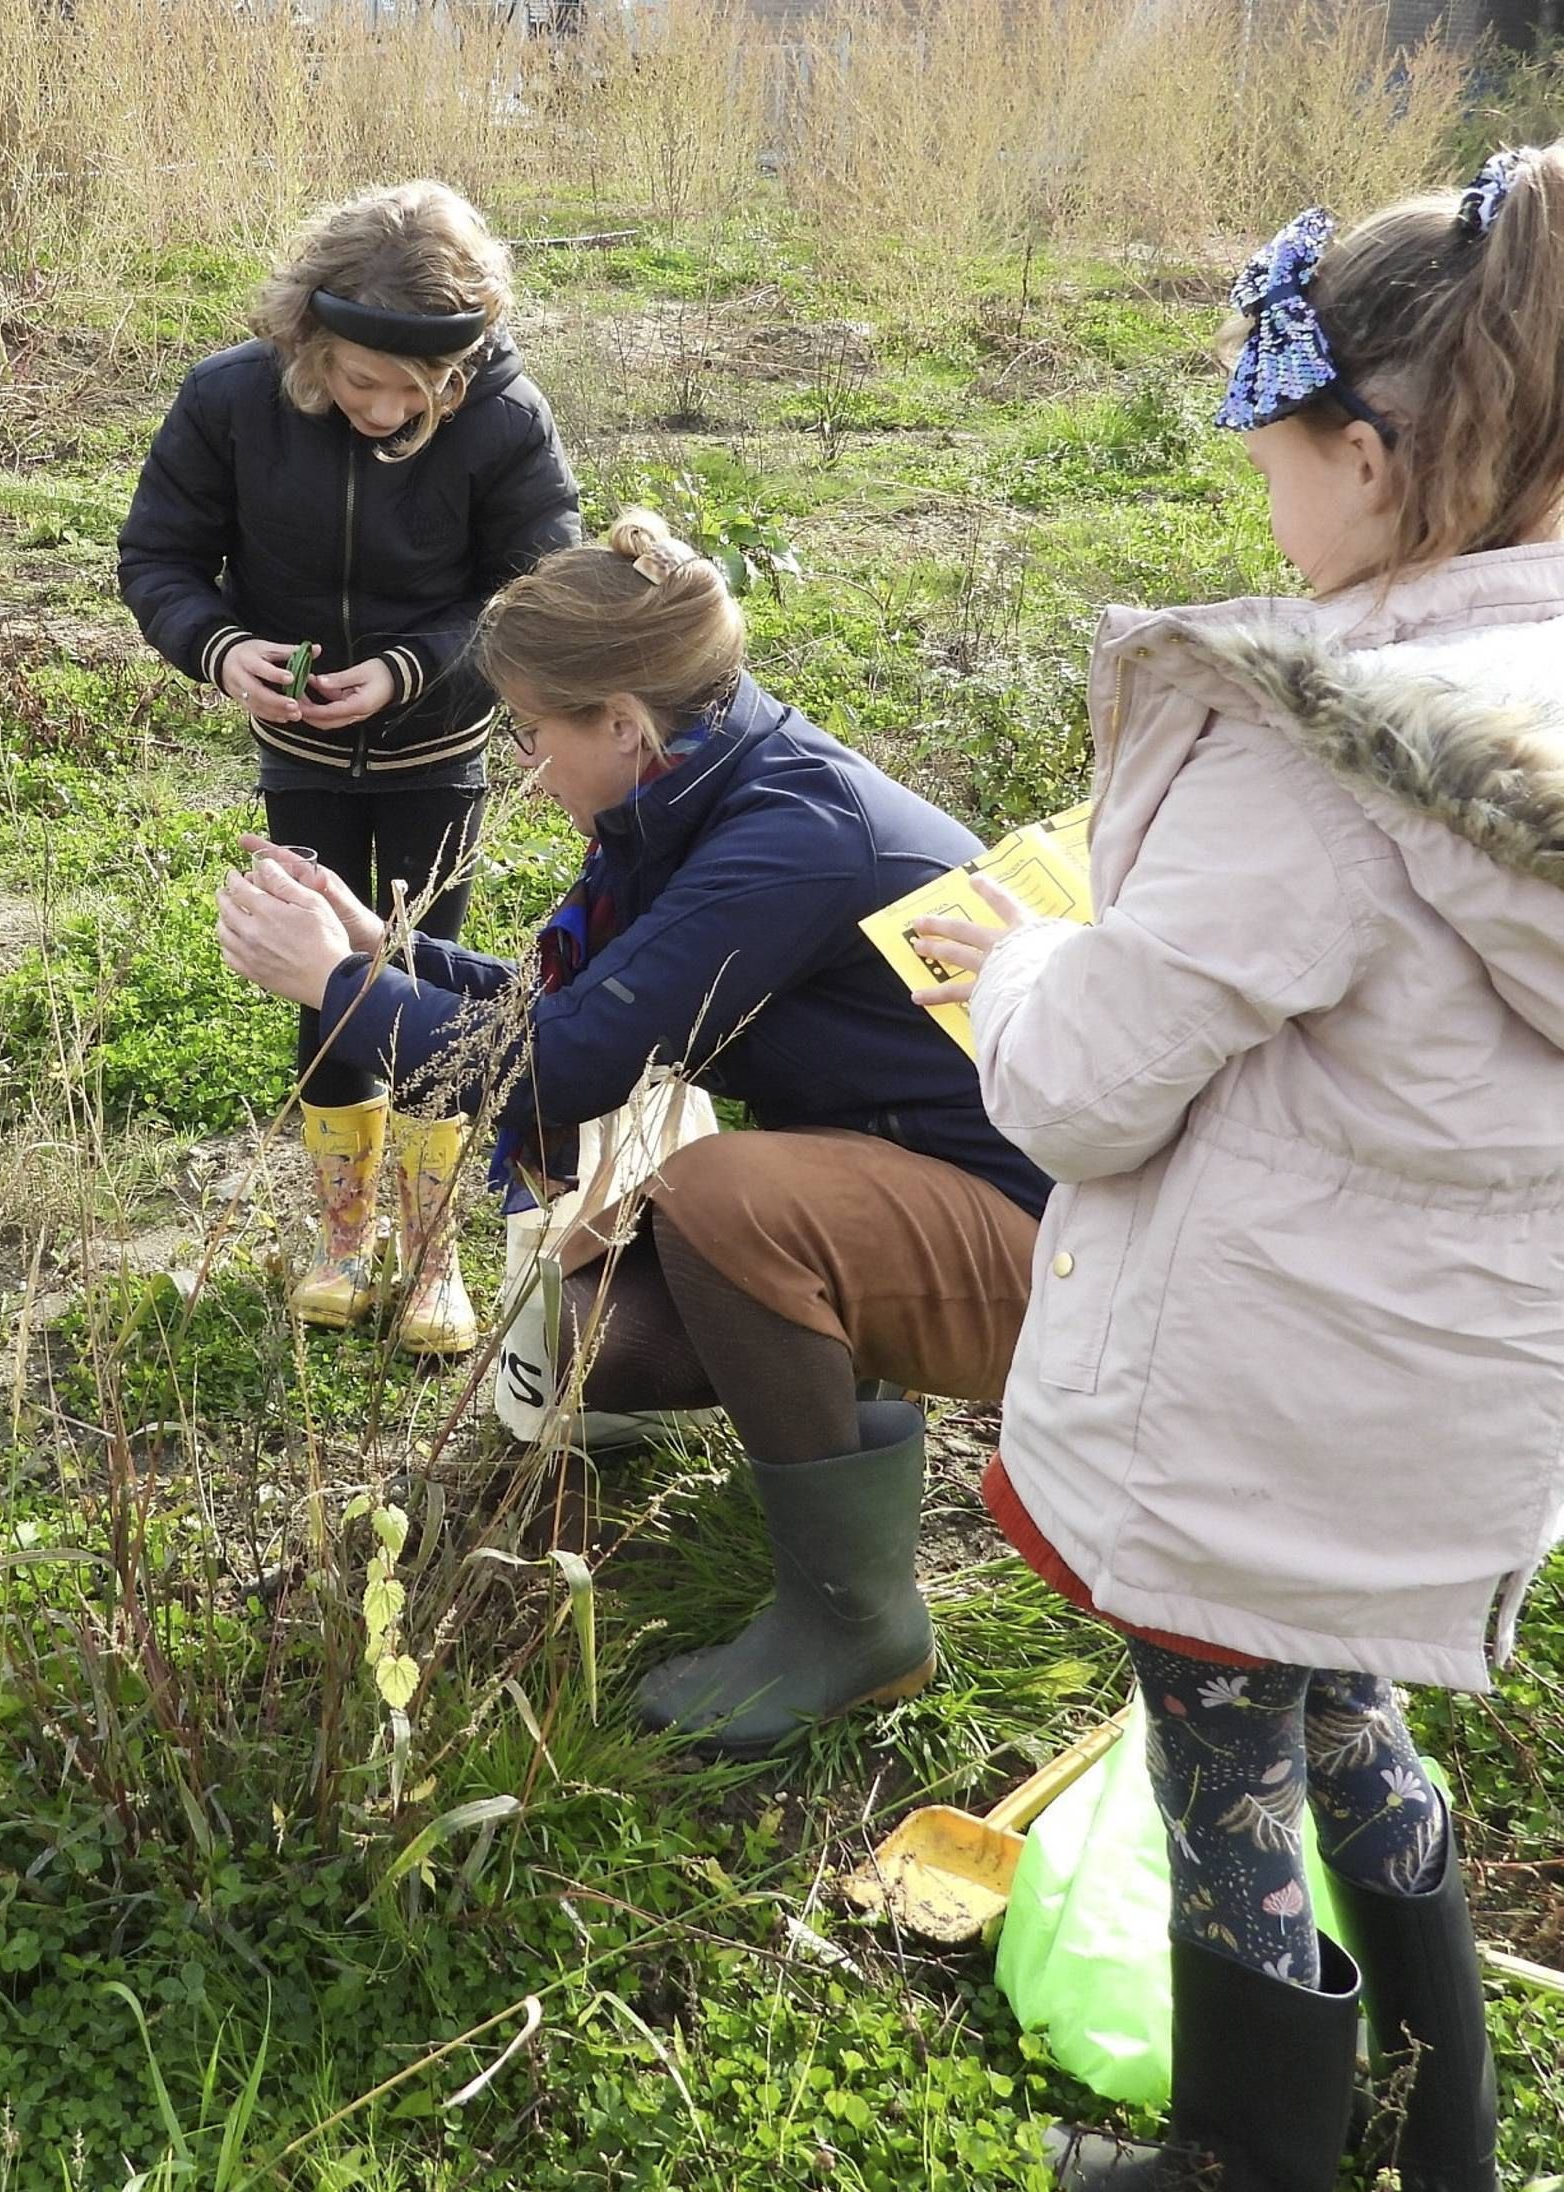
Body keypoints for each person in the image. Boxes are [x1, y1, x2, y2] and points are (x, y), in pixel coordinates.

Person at [912, 149, 1564, 2192]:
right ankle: (1442, 2125)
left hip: (1257, 1393)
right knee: (1350, 1711)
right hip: (1447, 1397)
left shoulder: (1314, 742)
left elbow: (1088, 1093)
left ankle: (1247, 2155)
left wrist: (1021, 958)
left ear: (1369, 453)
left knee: (1218, 1760)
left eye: (1267, 444)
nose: (1259, 498)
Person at [215, 508, 1053, 1755]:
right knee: (611, 1342)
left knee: (727, 1193)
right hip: (927, 1177)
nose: (526, 764)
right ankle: (845, 1463)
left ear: (622, 720)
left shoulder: (790, 836)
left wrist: (339, 994)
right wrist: (385, 954)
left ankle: (856, 1619)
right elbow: (584, 1007)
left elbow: (559, 1071)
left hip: (1065, 1247)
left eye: (533, 731)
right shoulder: (707, 786)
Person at [119, 179, 581, 1354]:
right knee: (321, 983)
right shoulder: (229, 401)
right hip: (299, 758)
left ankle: (432, 1252)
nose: (381, 409)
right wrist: (221, 651)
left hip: (438, 754)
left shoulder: (506, 419)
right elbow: (160, 554)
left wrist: (412, 672)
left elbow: (533, 592)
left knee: (420, 974)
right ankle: (344, 1236)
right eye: (355, 380)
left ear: (461, 369)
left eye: (413, 393)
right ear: (305, 341)